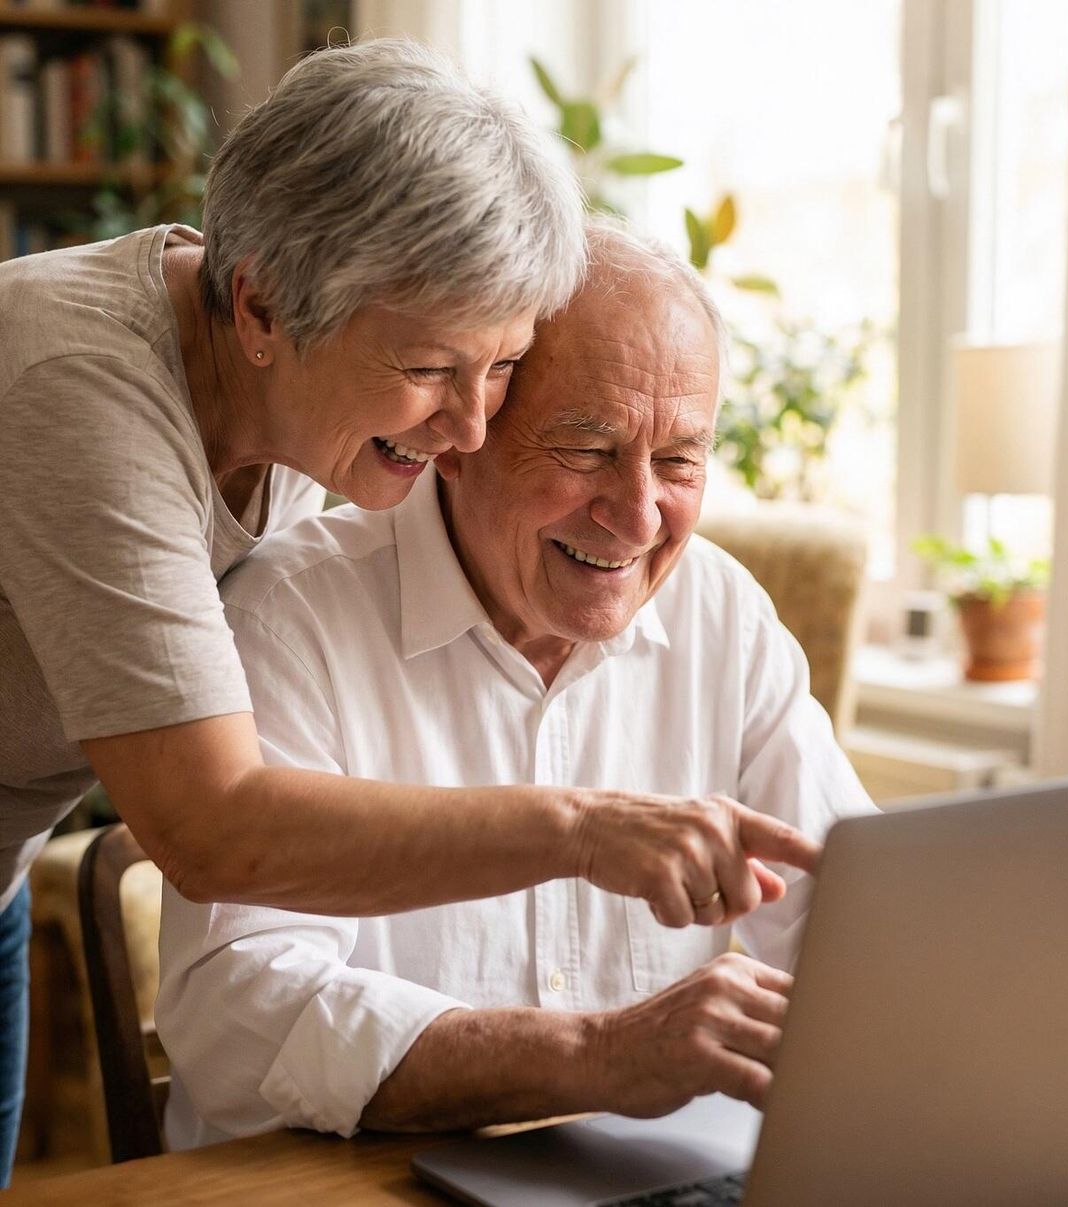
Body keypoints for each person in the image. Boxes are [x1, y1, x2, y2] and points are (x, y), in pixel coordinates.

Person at [0, 42, 815, 1185]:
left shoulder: (309, 402)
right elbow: (211, 830)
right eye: (438, 370)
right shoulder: (82, 396)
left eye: (502, 369)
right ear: (262, 309)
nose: (470, 430)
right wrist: (582, 833)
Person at [156, 225, 876, 1148]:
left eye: (681, 458)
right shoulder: (289, 615)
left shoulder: (721, 613)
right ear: (456, 434)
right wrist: (597, 1053)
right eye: (587, 451)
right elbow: (238, 1014)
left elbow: (853, 919)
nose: (640, 514)